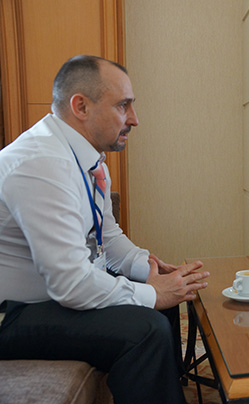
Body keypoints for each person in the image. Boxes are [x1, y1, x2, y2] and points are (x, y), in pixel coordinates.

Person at [0, 55, 210, 404]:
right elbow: (70, 284)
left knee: (163, 301)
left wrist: (149, 269)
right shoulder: (40, 165)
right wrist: (151, 294)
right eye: (123, 106)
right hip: (13, 313)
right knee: (147, 329)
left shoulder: (87, 158)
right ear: (81, 106)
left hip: (48, 297)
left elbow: (106, 236)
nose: (134, 119)